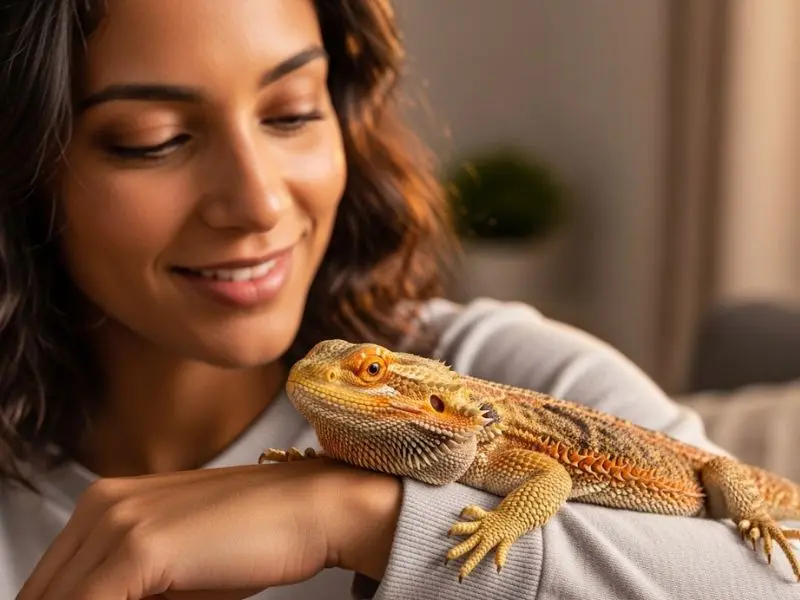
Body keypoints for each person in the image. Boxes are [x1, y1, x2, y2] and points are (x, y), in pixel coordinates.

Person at [1, 1, 798, 599]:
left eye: (292, 113)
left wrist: (357, 519)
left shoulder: (501, 366)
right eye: (153, 138)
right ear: (24, 170)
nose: (258, 204)